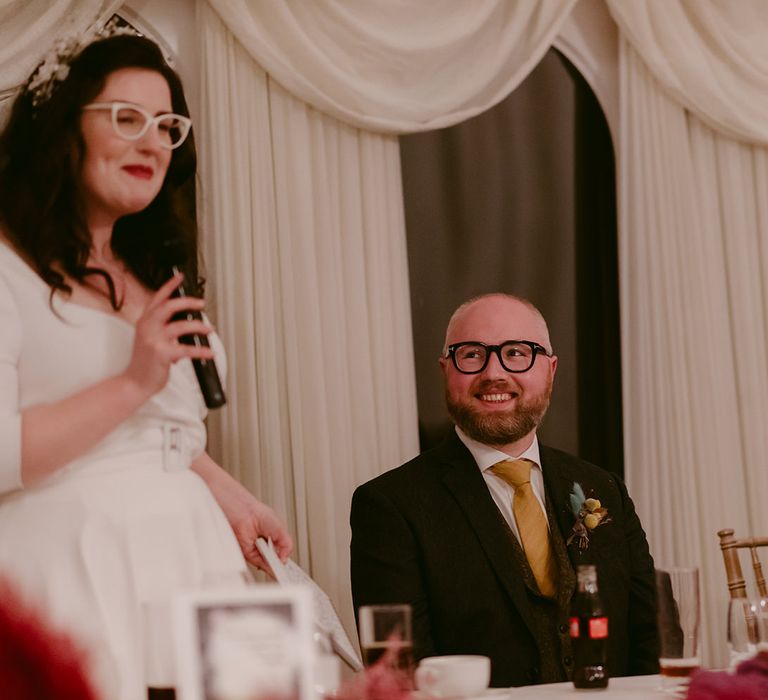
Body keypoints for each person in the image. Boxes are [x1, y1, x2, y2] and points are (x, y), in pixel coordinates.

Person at [0, 23, 292, 699]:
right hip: (73, 565)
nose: (153, 141)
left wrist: (230, 495)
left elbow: (164, 430)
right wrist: (132, 380)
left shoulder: (155, 272)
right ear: (61, 130)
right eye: (126, 118)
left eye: (166, 126)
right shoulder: (8, 270)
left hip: (190, 553)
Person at [350, 293, 658, 687]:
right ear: (446, 369)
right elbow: (400, 674)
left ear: (551, 369)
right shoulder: (389, 506)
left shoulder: (605, 488)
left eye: (517, 353)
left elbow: (652, 638)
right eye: (473, 354)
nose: (494, 372)